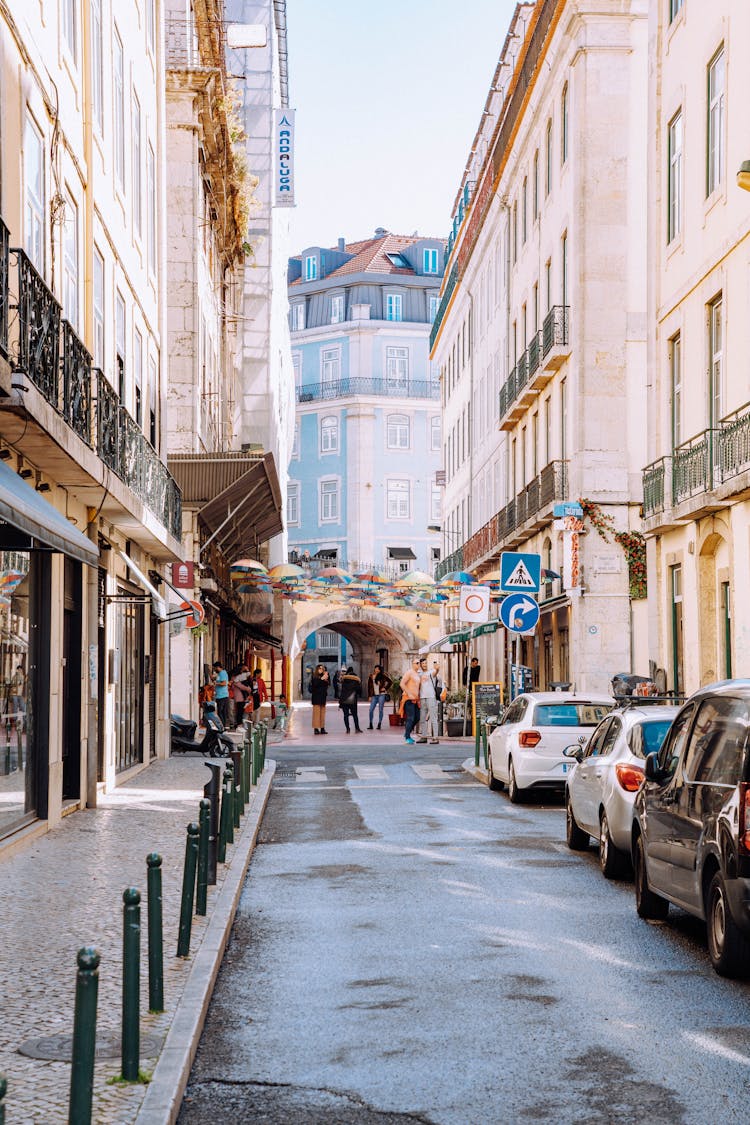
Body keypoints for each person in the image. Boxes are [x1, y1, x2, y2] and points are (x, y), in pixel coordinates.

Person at [416, 657, 443, 744]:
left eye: (426, 663)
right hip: (422, 697)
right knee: (422, 718)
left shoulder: (431, 672)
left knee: (433, 717)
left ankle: (435, 737)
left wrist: (437, 668)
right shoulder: (418, 674)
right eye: (423, 663)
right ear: (420, 665)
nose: (424, 665)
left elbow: (436, 671)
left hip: (431, 697)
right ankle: (424, 736)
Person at [400, 657, 422, 744]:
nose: (418, 664)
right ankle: (407, 737)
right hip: (408, 699)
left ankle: (407, 733)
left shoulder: (417, 674)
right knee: (411, 718)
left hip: (415, 699)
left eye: (419, 663)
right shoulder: (409, 672)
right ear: (412, 664)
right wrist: (409, 693)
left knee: (417, 717)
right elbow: (402, 683)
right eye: (416, 663)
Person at [367, 664, 392, 730]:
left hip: (381, 695)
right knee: (371, 710)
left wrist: (385, 688)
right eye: (376, 669)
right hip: (374, 696)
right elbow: (369, 687)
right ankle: (370, 724)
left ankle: (379, 723)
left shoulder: (383, 676)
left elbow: (390, 682)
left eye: (378, 669)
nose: (377, 670)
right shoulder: (371, 676)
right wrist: (369, 696)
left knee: (380, 710)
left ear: (380, 670)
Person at [339, 666, 362, 733]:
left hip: (344, 699)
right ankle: (357, 728)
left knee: (346, 715)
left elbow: (341, 689)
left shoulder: (344, 679)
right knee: (355, 715)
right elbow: (359, 690)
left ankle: (348, 729)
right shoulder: (356, 680)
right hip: (352, 699)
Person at [229, 664, 252, 729]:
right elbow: (240, 685)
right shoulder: (235, 677)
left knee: (240, 710)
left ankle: (238, 724)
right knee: (239, 711)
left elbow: (249, 676)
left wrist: (247, 670)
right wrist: (248, 689)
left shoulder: (240, 676)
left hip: (241, 696)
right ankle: (239, 724)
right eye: (242, 669)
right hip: (239, 696)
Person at [310, 665, 330, 734]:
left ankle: (322, 728)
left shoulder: (325, 676)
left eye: (322, 668)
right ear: (317, 669)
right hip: (316, 698)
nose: (321, 669)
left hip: (323, 697)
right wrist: (321, 679)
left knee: (322, 714)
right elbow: (315, 684)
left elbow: (327, 684)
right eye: (320, 668)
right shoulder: (314, 676)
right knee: (316, 714)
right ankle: (316, 729)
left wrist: (326, 677)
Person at [212, 661, 230, 728]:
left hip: (222, 696)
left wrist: (216, 684)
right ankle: (223, 726)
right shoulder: (220, 674)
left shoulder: (222, 673)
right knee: (222, 712)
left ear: (218, 667)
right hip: (220, 695)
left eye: (214, 668)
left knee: (220, 712)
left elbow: (224, 683)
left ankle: (222, 726)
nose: (214, 670)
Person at [10, 664, 25, 730]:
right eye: (19, 669)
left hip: (20, 695)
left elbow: (21, 683)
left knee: (23, 707)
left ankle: (25, 722)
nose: (20, 671)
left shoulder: (22, 676)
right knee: (15, 707)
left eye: (21, 670)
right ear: (17, 670)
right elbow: (14, 683)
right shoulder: (15, 676)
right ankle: (15, 721)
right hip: (15, 695)